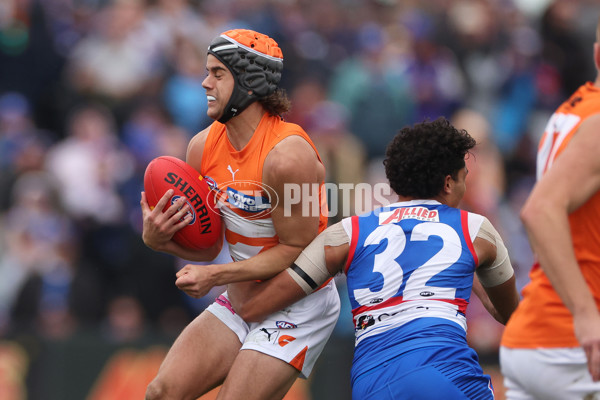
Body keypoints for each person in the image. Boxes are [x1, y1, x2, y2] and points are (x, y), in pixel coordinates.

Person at [228, 117, 521, 400]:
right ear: (448, 183)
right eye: (463, 179)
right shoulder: (475, 228)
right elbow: (510, 315)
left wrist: (219, 274)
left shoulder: (347, 231)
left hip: (372, 383)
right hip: (446, 372)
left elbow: (258, 305)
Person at [140, 29, 340, 400]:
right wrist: (160, 241)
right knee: (160, 392)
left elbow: (298, 249)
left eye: (217, 73)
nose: (204, 83)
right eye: (206, 72)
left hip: (297, 303)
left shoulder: (287, 155)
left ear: (249, 81)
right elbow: (208, 242)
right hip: (242, 298)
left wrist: (216, 274)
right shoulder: (201, 146)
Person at [499, 17, 600, 400]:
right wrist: (586, 314)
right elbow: (539, 211)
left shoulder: (572, 111)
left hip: (540, 334)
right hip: (574, 344)